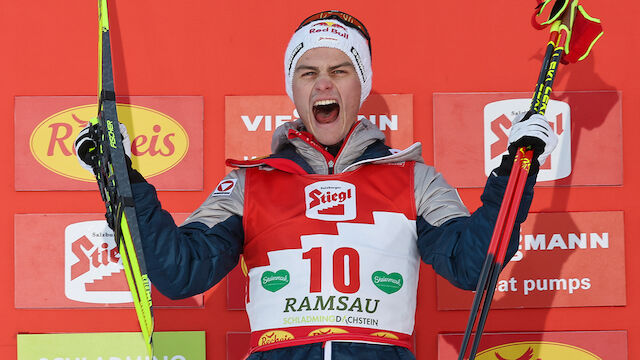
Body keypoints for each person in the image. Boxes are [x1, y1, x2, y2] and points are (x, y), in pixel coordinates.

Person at [76, 10, 557, 360]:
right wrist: (121, 177)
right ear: (295, 89)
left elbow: (474, 264)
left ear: (359, 85)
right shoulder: (249, 184)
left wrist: (518, 166)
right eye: (309, 73)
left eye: (339, 71)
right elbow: (179, 272)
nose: (323, 85)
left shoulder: (414, 180)